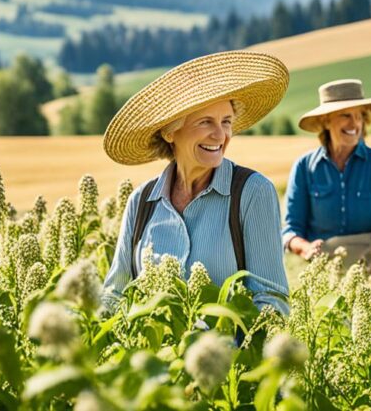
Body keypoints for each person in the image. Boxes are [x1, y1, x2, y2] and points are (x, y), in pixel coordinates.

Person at [101, 51, 291, 314]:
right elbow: (115, 294)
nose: (219, 135)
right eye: (205, 122)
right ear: (170, 131)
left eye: (226, 122)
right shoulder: (141, 202)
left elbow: (272, 300)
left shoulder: (252, 192)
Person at [283, 79, 371, 270]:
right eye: (346, 115)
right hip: (322, 273)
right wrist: (305, 249)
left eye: (359, 116)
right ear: (326, 121)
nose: (354, 123)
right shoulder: (303, 167)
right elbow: (291, 231)